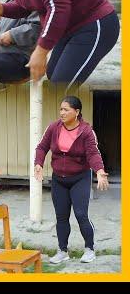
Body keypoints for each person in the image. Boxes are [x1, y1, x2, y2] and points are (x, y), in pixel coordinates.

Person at [34, 96, 108, 264]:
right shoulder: (54, 128)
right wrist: (38, 163)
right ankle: (62, 251)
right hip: (58, 179)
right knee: (61, 216)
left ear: (77, 112)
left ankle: (89, 249)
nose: (62, 113)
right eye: (61, 109)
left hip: (80, 178)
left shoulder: (86, 131)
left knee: (81, 214)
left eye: (66, 109)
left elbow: (93, 153)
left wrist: (99, 170)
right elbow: (42, 147)